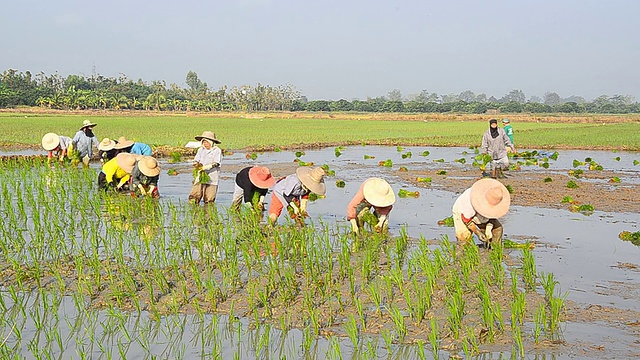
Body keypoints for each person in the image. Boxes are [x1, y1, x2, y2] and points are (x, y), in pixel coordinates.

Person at [452, 178, 510, 246]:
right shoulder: (469, 201)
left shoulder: (495, 197)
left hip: (481, 214)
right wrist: (478, 233)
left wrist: (489, 228)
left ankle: (494, 251)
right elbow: (466, 219)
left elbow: (492, 217)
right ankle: (461, 255)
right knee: (464, 240)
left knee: (497, 229)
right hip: (462, 213)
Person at [188, 131, 222, 204]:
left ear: (211, 142)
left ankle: (208, 213)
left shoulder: (217, 150)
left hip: (212, 175)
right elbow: (196, 159)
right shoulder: (201, 150)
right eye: (204, 142)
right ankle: (194, 211)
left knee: (209, 199)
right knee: (194, 196)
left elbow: (216, 163)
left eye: (207, 142)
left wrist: (207, 167)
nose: (205, 144)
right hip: (200, 174)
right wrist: (196, 164)